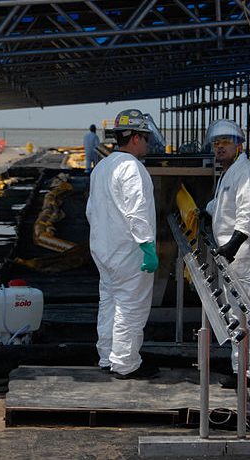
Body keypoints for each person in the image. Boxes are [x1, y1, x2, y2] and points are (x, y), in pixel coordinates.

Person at [86, 109, 159, 379]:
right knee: (130, 307)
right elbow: (137, 211)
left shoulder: (103, 166)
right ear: (136, 138)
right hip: (129, 253)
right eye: (146, 138)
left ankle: (107, 356)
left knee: (109, 303)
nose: (148, 144)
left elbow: (91, 210)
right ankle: (126, 364)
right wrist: (147, 247)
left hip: (104, 251)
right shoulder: (132, 168)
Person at [204, 119, 250, 389]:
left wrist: (234, 243)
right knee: (235, 313)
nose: (219, 147)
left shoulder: (248, 173)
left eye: (225, 142)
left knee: (245, 314)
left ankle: (247, 371)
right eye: (216, 143)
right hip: (231, 258)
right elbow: (224, 206)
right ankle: (239, 365)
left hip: (244, 257)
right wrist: (205, 210)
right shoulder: (230, 173)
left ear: (239, 146)